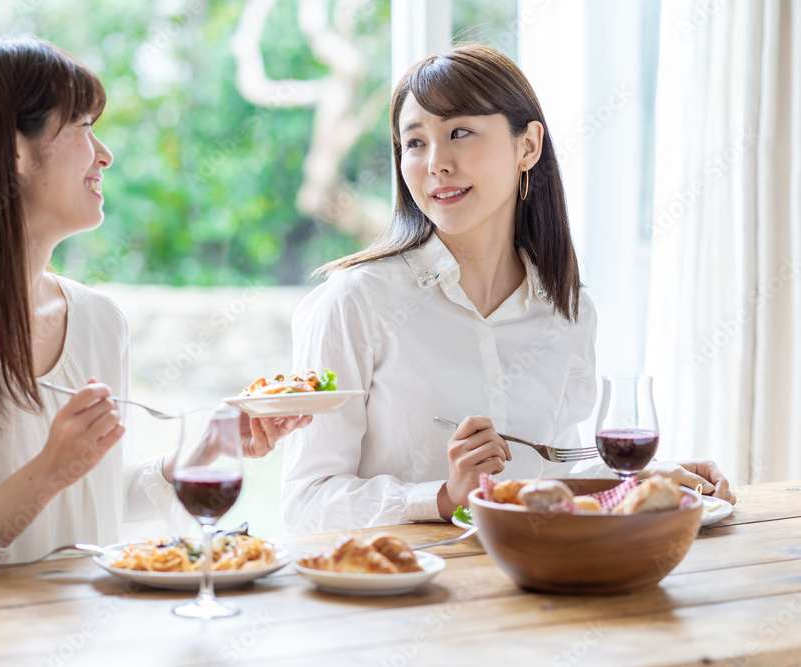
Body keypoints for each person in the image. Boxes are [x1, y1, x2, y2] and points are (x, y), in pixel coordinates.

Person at [0, 36, 310, 576]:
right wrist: (45, 472)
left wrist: (200, 450)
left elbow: (95, 502)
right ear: (12, 151)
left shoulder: (99, 321)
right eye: (83, 127)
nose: (105, 154)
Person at [281, 44, 735, 534]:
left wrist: (646, 479)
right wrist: (441, 496)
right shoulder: (356, 302)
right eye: (414, 142)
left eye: (460, 132)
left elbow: (555, 476)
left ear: (528, 146)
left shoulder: (568, 312)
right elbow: (305, 503)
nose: (436, 162)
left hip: (537, 587)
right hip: (403, 595)